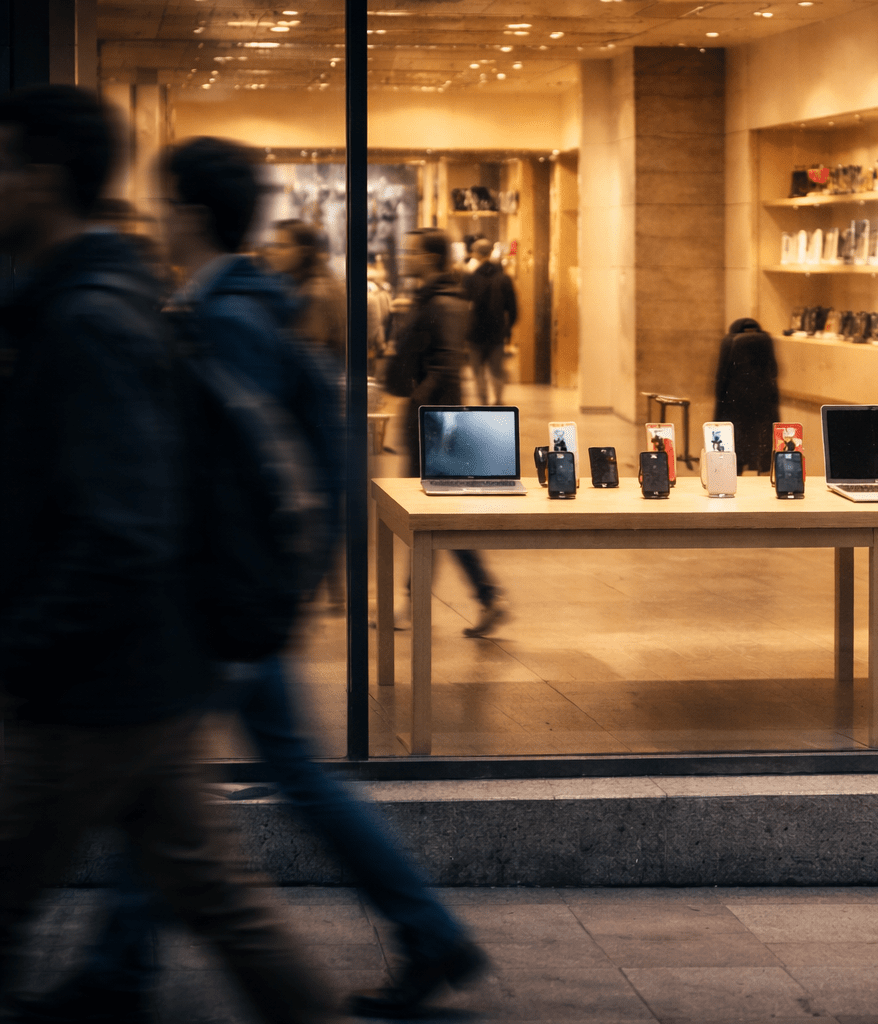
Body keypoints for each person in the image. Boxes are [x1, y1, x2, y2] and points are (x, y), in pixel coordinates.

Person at [15, 136, 488, 1023]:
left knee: (245, 784)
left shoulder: (225, 316)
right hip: (229, 595)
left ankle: (425, 933)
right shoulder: (238, 305)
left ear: (191, 214)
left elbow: (223, 472)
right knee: (176, 793)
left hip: (221, 600)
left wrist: (234, 604)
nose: (154, 221)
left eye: (163, 207)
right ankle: (125, 968)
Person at [0, 86, 334, 1024]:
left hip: (94, 688)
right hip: (153, 672)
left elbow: (123, 526)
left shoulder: (89, 319)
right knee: (224, 900)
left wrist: (21, 648)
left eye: (2, 162)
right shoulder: (113, 301)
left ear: (45, 176)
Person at [387, 227, 507, 636]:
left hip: (432, 422)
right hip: (437, 418)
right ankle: (487, 596)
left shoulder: (440, 303)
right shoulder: (442, 299)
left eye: (412, 251)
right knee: (437, 518)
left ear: (431, 258)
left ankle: (423, 602)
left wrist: (417, 399)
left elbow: (442, 366)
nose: (406, 256)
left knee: (428, 518)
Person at [267, 217, 346, 359]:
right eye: (274, 245)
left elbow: (310, 356)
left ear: (303, 251)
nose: (274, 252)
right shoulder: (300, 285)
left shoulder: (316, 293)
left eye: (282, 246)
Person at [713, 317, 779, 473]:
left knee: (736, 443)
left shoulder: (729, 341)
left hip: (734, 401)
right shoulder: (766, 340)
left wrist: (720, 400)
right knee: (760, 443)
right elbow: (774, 370)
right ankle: (760, 469)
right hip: (763, 402)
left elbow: (721, 374)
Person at [462, 237, 517, 406]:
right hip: (497, 333)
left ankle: (483, 400)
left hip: (475, 333)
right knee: (497, 369)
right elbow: (513, 309)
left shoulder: (470, 279)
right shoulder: (504, 279)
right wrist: (507, 330)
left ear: (476, 254)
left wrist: (464, 331)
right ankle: (499, 400)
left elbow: (465, 307)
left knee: (477, 370)